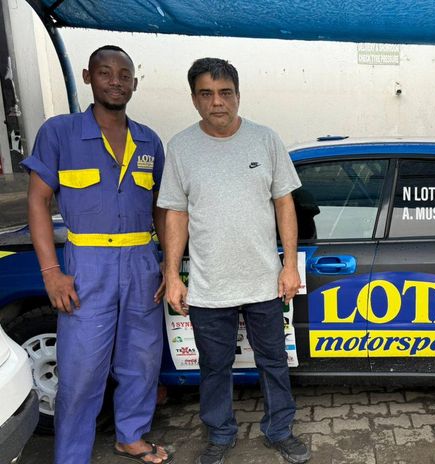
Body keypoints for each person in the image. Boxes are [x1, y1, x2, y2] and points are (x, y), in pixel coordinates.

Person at [22, 46, 172, 464]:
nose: (115, 81)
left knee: (142, 359)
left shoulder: (149, 140)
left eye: (124, 75)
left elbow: (162, 206)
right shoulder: (60, 132)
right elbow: (37, 201)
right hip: (88, 265)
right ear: (88, 77)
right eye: (106, 73)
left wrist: (167, 261)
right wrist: (51, 273)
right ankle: (71, 456)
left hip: (141, 262)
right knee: (81, 368)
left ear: (134, 83)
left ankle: (131, 436)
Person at [158, 58, 310, 464]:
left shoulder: (265, 140)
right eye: (206, 94)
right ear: (194, 99)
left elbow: (284, 203)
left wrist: (289, 265)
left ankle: (279, 431)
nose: (217, 102)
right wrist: (172, 274)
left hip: (264, 281)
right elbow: (176, 214)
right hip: (209, 286)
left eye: (225, 93)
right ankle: (220, 435)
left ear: (238, 95)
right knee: (214, 366)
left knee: (273, 362)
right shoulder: (181, 148)